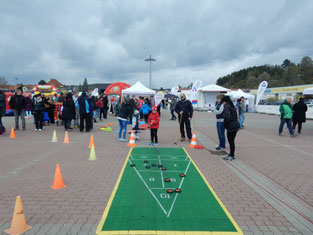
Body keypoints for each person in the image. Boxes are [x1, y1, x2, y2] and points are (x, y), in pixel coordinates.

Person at [221, 96, 240, 161]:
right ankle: (231, 154)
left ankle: (232, 155)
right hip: (236, 125)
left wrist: (225, 125)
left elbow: (226, 117)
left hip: (231, 127)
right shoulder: (232, 106)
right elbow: (237, 116)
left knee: (231, 141)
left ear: (224, 101)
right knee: (231, 141)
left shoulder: (227, 106)